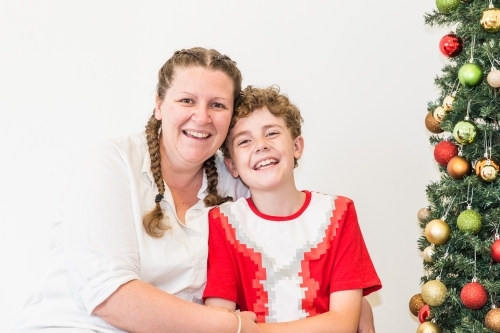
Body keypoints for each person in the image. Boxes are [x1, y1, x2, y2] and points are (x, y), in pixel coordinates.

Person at [9, 47, 376, 333]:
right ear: (158, 105)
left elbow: (287, 228)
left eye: (217, 105)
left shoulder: (232, 178)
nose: (201, 117)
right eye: (187, 100)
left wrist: (352, 303)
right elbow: (109, 296)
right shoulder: (113, 162)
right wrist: (231, 326)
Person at [203, 86, 382, 333]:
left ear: (297, 146)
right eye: (244, 140)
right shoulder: (222, 222)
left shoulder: (339, 213)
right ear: (232, 166)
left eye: (272, 133)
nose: (261, 145)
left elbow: (343, 324)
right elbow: (219, 322)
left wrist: (250, 330)